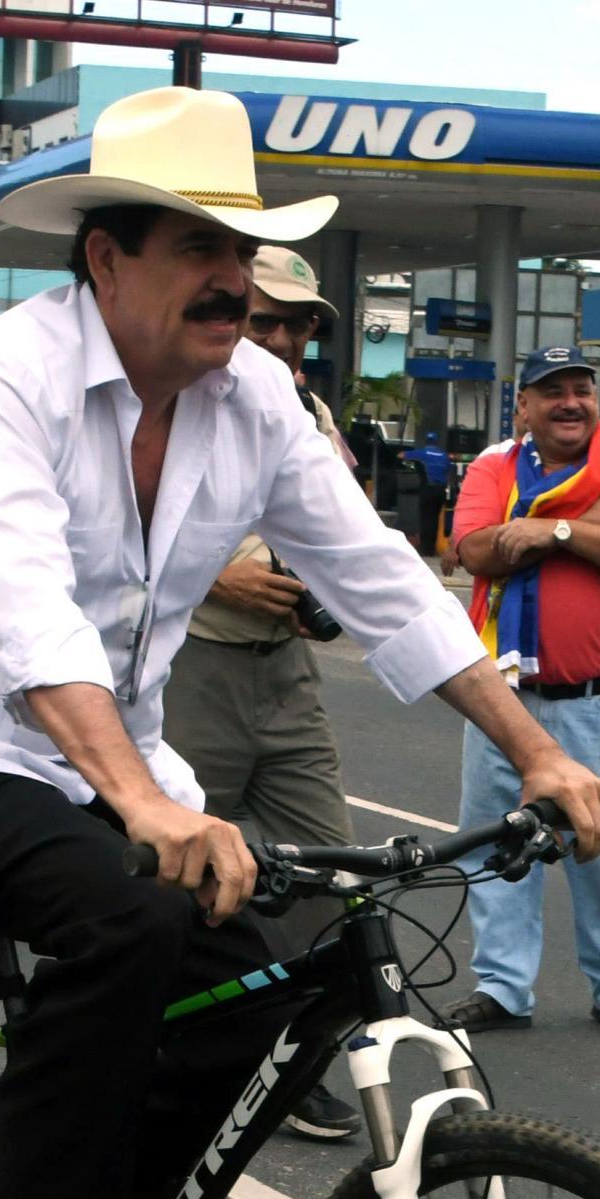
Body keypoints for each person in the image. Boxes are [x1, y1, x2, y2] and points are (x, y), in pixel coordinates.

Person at [0, 87, 600, 1199]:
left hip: (101, 760)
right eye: (198, 248)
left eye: (243, 253)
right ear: (106, 261)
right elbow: (26, 611)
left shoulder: (253, 400)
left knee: (267, 983)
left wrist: (537, 748)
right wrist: (138, 797)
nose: (233, 280)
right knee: (126, 917)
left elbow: (381, 579)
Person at [160, 243, 366, 1143]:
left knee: (326, 871)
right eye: (268, 318)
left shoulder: (309, 413)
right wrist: (219, 580)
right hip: (191, 661)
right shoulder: (174, 394)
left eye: (299, 324)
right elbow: (113, 541)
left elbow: (352, 541)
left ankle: (293, 1059)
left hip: (284, 672)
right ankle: (178, 1052)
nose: (283, 337)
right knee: (181, 876)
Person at [443, 344, 600, 1041]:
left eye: (582, 389)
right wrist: (591, 529)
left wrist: (552, 529)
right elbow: (475, 549)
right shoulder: (492, 468)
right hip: (503, 700)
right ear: (524, 405)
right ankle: (502, 988)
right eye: (553, 391)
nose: (570, 402)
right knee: (496, 849)